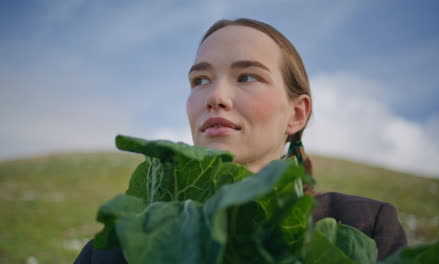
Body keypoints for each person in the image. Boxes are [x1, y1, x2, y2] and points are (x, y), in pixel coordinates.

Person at [75, 18, 406, 263]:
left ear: (296, 114)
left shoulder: (366, 224)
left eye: (248, 76)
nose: (215, 96)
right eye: (200, 80)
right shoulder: (112, 250)